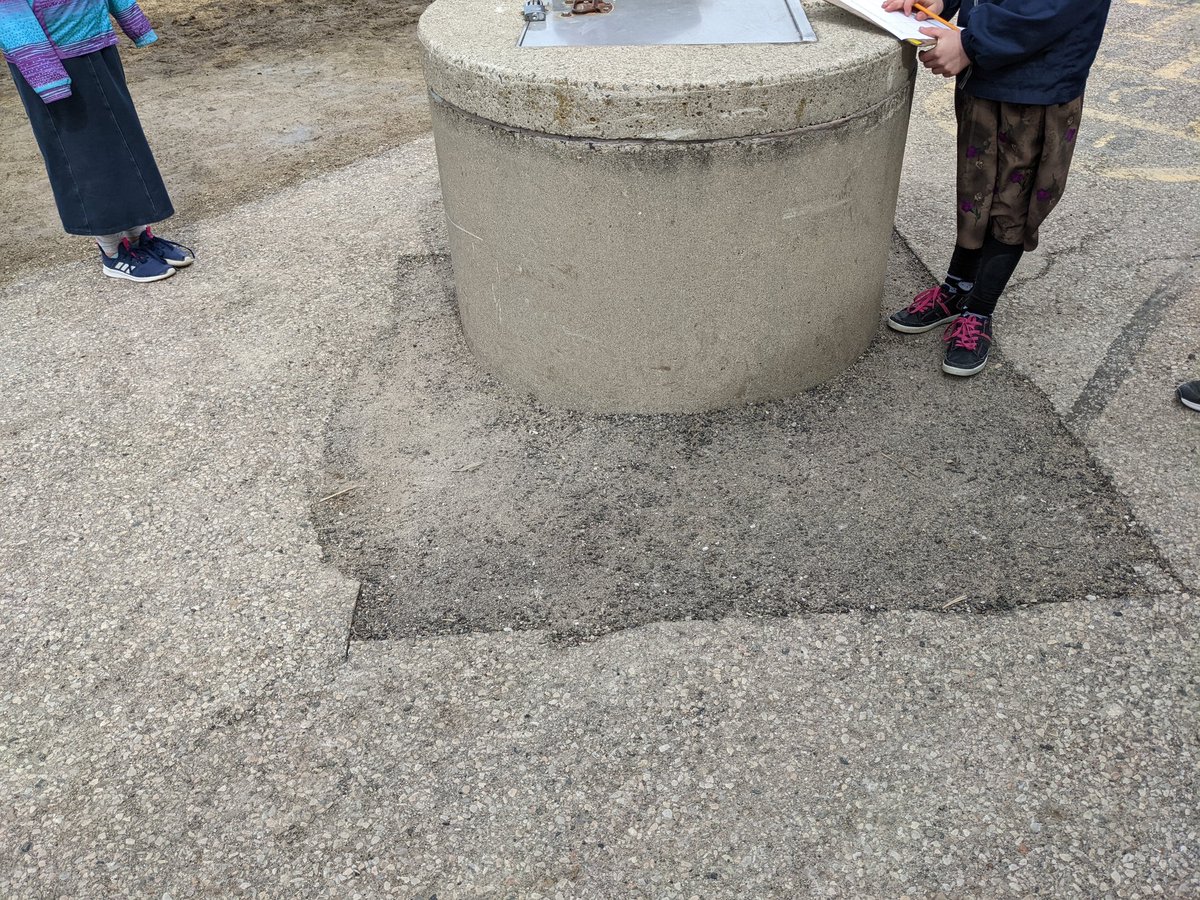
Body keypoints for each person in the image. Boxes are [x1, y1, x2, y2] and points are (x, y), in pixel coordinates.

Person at [883, 0, 1111, 376]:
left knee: (1013, 206)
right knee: (975, 193)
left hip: (1039, 81)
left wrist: (973, 43)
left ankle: (979, 308)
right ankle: (957, 289)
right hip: (984, 74)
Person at [2, 0, 193, 282]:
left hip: (98, 45)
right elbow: (9, 14)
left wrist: (135, 23)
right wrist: (47, 76)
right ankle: (113, 251)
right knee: (84, 153)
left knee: (123, 144)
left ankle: (138, 237)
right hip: (52, 59)